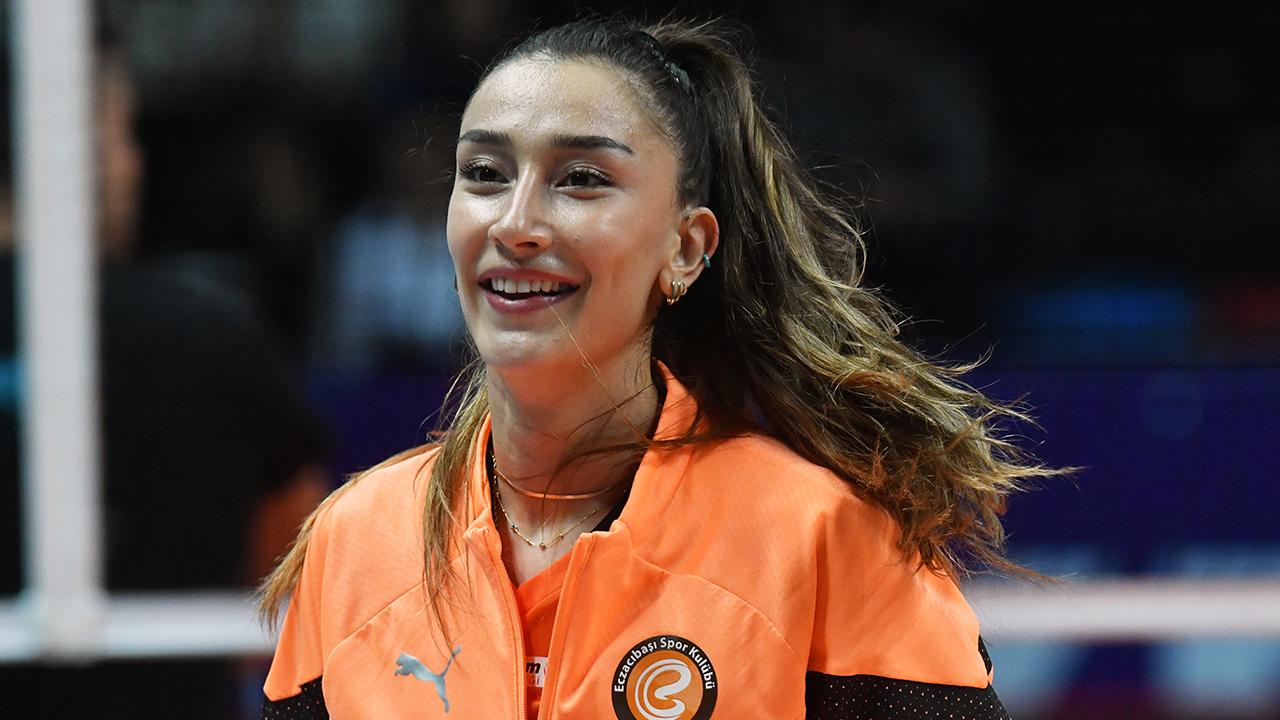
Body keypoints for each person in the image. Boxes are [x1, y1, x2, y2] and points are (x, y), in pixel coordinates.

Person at [259, 17, 1052, 719]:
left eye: (582, 179)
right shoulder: (356, 542)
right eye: (485, 174)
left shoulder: (823, 541)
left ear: (686, 247)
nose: (515, 223)